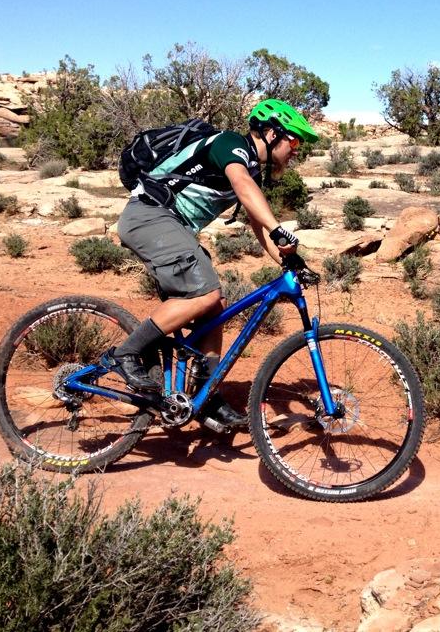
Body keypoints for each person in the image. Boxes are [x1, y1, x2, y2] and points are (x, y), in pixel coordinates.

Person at [102, 98, 318, 430]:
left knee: (214, 306)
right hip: (149, 217)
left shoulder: (253, 170)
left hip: (170, 228)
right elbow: (244, 189)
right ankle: (125, 354)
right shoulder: (230, 144)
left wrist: (288, 262)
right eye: (294, 140)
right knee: (204, 294)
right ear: (272, 133)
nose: (296, 150)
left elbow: (256, 222)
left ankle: (206, 397)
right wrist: (279, 229)